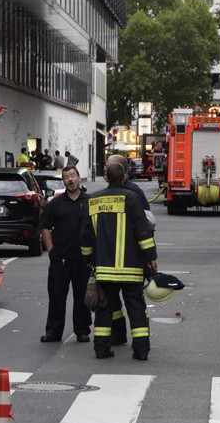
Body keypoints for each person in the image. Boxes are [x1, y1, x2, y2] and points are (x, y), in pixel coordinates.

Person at [80, 160, 157, 361]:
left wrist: (88, 259)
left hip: (104, 270)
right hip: (131, 270)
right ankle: (140, 350)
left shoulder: (93, 201)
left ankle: (101, 349)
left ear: (106, 178)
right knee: (136, 309)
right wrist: (151, 258)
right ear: (124, 177)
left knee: (104, 310)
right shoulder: (132, 199)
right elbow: (143, 233)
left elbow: (85, 237)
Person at [103, 153, 156, 345]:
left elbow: (146, 226)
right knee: (113, 303)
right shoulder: (105, 194)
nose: (105, 168)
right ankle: (118, 335)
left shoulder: (135, 194)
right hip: (110, 260)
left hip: (132, 259)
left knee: (134, 302)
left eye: (109, 166)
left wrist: (148, 257)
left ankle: (141, 340)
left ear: (122, 171)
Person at [39, 165, 92, 343]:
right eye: (66, 177)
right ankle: (53, 332)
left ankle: (82, 331)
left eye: (72, 176)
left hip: (83, 260)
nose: (70, 179)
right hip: (60, 259)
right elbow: (45, 227)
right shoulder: (55, 204)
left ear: (79, 177)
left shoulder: (90, 202)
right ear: (63, 181)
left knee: (82, 296)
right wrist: (51, 250)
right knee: (56, 297)